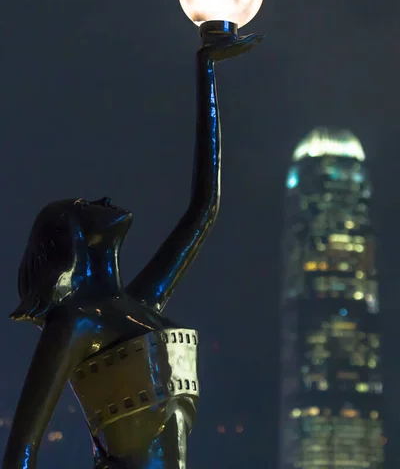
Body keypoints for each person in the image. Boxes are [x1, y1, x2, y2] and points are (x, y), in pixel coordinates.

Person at [3, 34, 262, 469]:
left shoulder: (140, 304)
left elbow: (205, 207)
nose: (102, 199)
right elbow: (21, 451)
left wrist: (208, 72)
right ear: (71, 236)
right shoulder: (76, 321)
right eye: (85, 205)